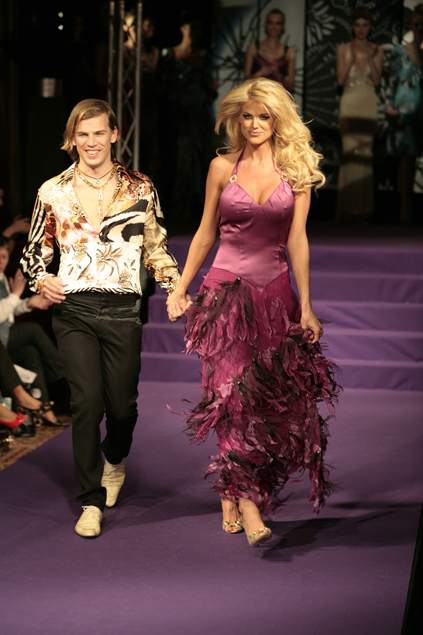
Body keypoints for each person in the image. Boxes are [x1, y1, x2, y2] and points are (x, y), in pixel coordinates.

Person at [167, 78, 340, 548]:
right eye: (247, 116)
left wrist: (307, 306)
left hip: (276, 297)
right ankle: (246, 501)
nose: (255, 124)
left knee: (267, 398)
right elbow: (205, 233)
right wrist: (180, 288)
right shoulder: (222, 167)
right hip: (226, 295)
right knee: (231, 394)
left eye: (264, 116)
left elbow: (298, 240)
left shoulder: (297, 169)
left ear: (278, 120)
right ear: (236, 119)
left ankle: (232, 488)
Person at [21, 99, 183, 538]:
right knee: (86, 403)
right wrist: (41, 279)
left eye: (98, 133)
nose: (90, 142)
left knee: (123, 408)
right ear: (72, 139)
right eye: (82, 134)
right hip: (73, 308)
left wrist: (175, 287)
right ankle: (90, 501)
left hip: (122, 308)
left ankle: (115, 455)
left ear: (114, 135)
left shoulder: (141, 188)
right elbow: (34, 251)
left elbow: (156, 247)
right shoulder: (52, 191)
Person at [0, 236, 68, 426]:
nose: (1, 261)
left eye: (4, 256)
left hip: (5, 339)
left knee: (31, 353)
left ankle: (43, 408)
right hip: (2, 337)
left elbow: (8, 310)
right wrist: (16, 294)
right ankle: (64, 375)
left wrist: (29, 303)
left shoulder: (2, 278)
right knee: (33, 330)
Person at [158, 14, 217, 219]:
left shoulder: (202, 55)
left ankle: (198, 205)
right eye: (192, 27)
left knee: (200, 155)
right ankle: (180, 205)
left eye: (199, 28)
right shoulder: (170, 54)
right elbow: (161, 85)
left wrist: (210, 87)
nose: (196, 32)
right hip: (178, 113)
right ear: (183, 28)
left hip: (198, 112)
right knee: (181, 156)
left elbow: (208, 84)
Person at [335, 7, 383, 223]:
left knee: (365, 155)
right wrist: (352, 58)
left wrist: (371, 58)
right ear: (352, 27)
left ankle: (363, 209)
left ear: (370, 27)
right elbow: (340, 80)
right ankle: (347, 209)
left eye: (365, 25)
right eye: (357, 25)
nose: (361, 29)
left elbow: (376, 81)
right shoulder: (343, 49)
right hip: (350, 104)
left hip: (368, 104)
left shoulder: (376, 50)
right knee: (349, 153)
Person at [386, 5, 423, 224]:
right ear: (411, 25)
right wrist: (389, 105)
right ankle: (404, 209)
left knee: (415, 159)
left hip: (421, 111)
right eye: (417, 24)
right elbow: (391, 79)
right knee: (406, 160)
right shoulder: (400, 51)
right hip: (404, 110)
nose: (420, 28)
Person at [244, 8, 295, 93]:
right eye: (270, 22)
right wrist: (260, 73)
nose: (274, 27)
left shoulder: (289, 52)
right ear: (265, 25)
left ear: (283, 26)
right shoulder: (253, 47)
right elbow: (245, 81)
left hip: (278, 98)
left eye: (278, 23)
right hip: (257, 96)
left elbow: (291, 86)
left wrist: (278, 75)